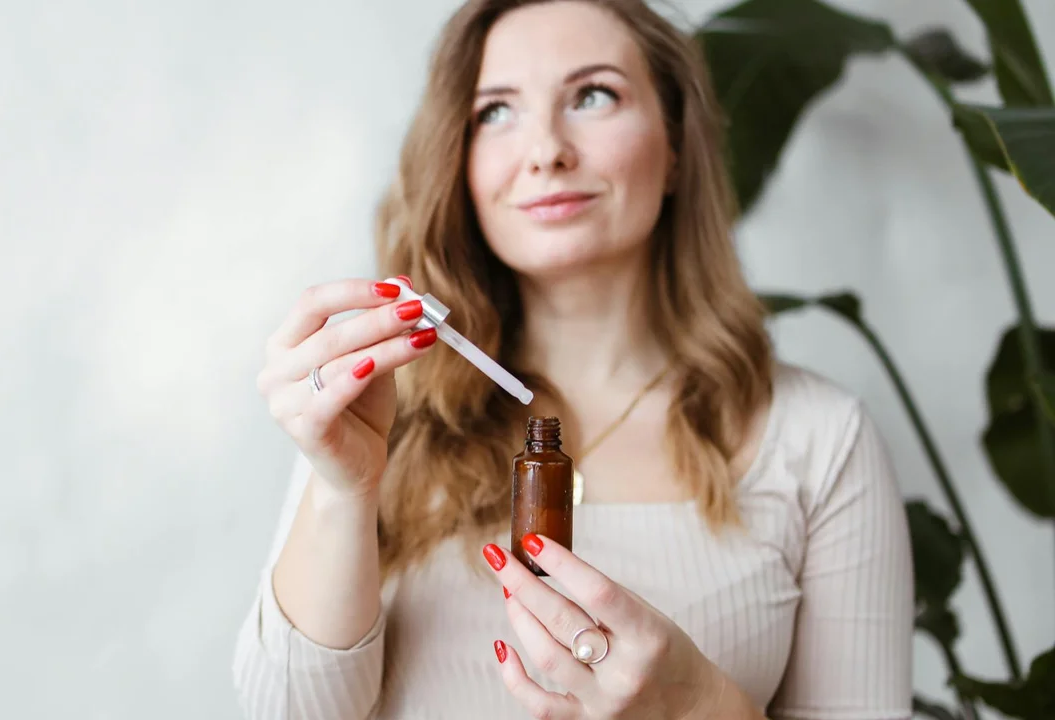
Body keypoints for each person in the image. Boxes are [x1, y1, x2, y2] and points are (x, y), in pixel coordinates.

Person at [232, 0, 915, 717]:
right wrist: (344, 490)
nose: (545, 150)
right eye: (495, 111)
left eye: (593, 96)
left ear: (676, 143)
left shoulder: (820, 439)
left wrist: (700, 705)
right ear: (456, 158)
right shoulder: (380, 413)